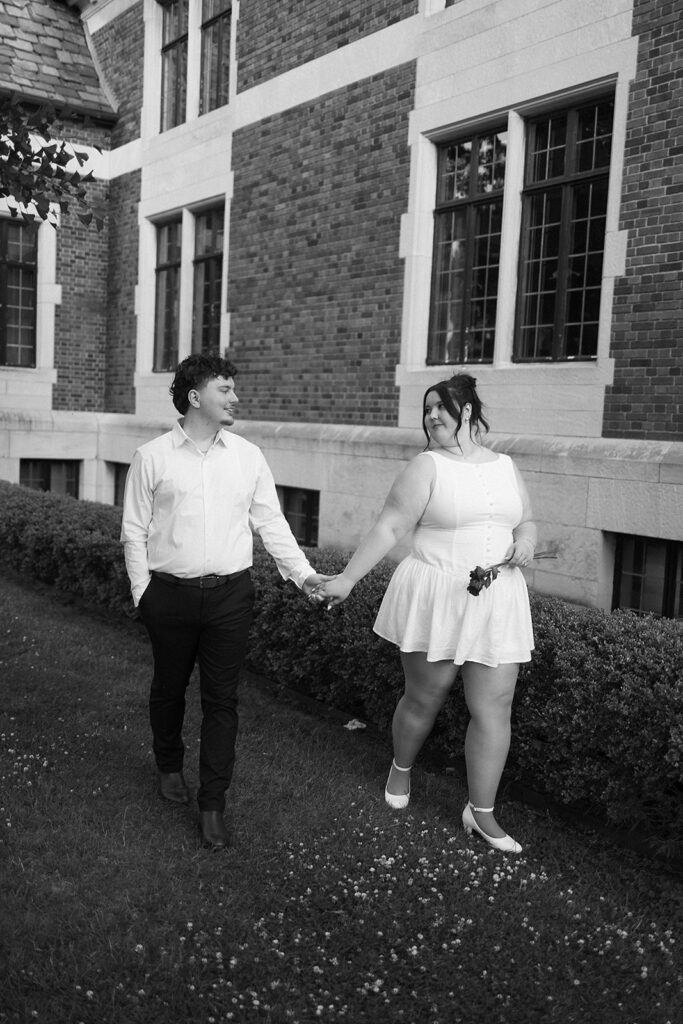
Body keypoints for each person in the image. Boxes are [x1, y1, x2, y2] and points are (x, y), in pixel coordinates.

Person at [316, 374, 536, 853]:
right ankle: (401, 769)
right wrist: (348, 579)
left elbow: (527, 520)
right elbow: (391, 525)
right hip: (438, 593)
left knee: (494, 707)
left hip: (497, 598)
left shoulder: (505, 465)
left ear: (469, 414)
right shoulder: (426, 466)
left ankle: (481, 812)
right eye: (427, 408)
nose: (431, 415)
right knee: (425, 696)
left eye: (442, 407)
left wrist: (526, 541)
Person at [121, 353, 330, 850]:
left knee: (222, 701)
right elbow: (133, 531)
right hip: (167, 596)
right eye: (225, 390)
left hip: (230, 597)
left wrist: (304, 577)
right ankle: (169, 766)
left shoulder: (248, 456)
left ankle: (212, 803)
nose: (235, 398)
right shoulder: (152, 457)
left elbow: (271, 523)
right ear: (196, 397)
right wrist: (142, 595)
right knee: (169, 689)